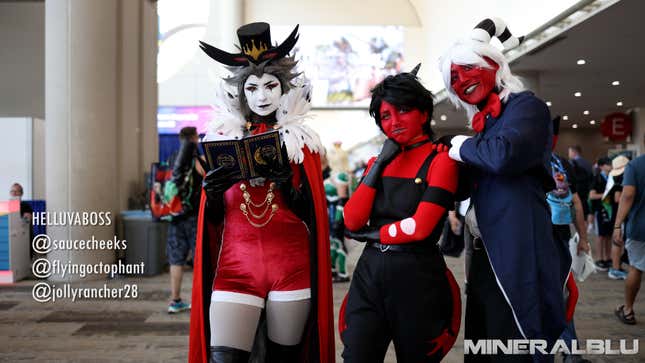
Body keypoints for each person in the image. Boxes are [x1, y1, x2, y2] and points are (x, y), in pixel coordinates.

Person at [189, 22, 334, 363]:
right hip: (235, 268)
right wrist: (210, 194)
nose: (262, 95)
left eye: (270, 85)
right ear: (241, 93)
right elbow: (213, 223)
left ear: (284, 89)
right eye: (252, 88)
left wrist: (287, 185)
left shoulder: (301, 144)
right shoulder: (221, 138)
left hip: (292, 267)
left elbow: (313, 216)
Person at [439, 18, 572, 362]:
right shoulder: (486, 124)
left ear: (493, 65)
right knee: (484, 344)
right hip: (484, 256)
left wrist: (458, 145)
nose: (461, 81)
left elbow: (504, 156)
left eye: (468, 68)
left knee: (519, 341)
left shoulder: (526, 106)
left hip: (519, 250)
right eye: (453, 77)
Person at [341, 65, 461, 362]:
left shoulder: (441, 160)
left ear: (424, 112)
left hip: (417, 275)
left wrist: (374, 233)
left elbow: (421, 227)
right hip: (370, 273)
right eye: (385, 116)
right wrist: (379, 164)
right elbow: (352, 220)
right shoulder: (376, 162)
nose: (394, 122)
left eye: (403, 110)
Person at [548, 119, 590, 363]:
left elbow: (576, 203)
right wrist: (583, 238)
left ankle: (566, 351)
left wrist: (584, 238)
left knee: (557, 295)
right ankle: (570, 352)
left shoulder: (528, 160)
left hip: (539, 239)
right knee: (563, 294)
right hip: (557, 238)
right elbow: (576, 203)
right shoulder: (561, 163)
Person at [166, 126, 204, 314]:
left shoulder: (172, 158)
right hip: (194, 216)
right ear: (194, 138)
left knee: (176, 259)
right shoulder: (198, 160)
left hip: (175, 214)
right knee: (199, 259)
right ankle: (199, 301)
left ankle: (175, 300)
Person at [613, 135, 645, 325]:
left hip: (640, 228)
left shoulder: (635, 166)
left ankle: (628, 310)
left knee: (636, 268)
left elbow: (627, 195)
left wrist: (617, 225)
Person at [607, 155, 630, 280]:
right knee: (617, 242)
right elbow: (618, 198)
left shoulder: (614, 178)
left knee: (617, 242)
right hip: (618, 215)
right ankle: (615, 269)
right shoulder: (620, 180)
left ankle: (616, 267)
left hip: (616, 214)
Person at [589, 157, 613, 271]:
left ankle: (608, 258)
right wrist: (605, 194)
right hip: (600, 210)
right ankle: (599, 259)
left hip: (610, 210)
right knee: (601, 236)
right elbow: (592, 196)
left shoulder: (612, 178)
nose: (611, 166)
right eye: (608, 164)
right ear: (602, 166)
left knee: (609, 236)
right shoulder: (597, 178)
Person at [568, 145, 594, 226]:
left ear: (574, 152)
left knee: (576, 211)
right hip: (586, 191)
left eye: (569, 152)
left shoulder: (571, 163)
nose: (568, 154)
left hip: (575, 191)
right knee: (584, 210)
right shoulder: (588, 163)